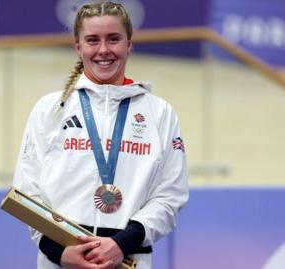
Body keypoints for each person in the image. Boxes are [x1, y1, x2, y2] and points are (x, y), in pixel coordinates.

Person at [12, 2, 188, 269]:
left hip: (128, 259)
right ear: (78, 46)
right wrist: (58, 251)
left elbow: (170, 195)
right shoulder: (49, 109)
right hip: (60, 262)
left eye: (113, 39)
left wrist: (122, 243)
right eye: (92, 40)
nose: (103, 50)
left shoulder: (160, 113)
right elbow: (27, 191)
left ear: (129, 44)